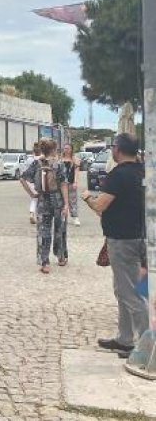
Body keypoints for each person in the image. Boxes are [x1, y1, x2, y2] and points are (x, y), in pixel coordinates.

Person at [82, 133, 147, 358]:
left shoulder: (118, 175)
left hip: (122, 240)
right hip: (139, 237)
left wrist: (86, 197)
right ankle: (125, 339)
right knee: (124, 290)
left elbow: (101, 206)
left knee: (131, 295)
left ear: (117, 149)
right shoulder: (142, 171)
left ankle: (148, 349)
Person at [21, 138, 69, 274]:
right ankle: (60, 257)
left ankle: (44, 262)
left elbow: (22, 178)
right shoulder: (58, 164)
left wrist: (32, 194)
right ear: (54, 149)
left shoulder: (37, 163)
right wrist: (66, 204)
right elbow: (64, 184)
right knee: (60, 229)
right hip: (57, 199)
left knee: (43, 231)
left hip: (42, 200)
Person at [62, 143, 82, 227]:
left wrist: (75, 182)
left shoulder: (75, 159)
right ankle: (63, 216)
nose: (66, 150)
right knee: (62, 200)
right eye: (65, 148)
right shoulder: (60, 159)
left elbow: (76, 172)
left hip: (70, 181)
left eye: (68, 148)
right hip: (62, 183)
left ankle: (75, 217)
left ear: (71, 150)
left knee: (73, 200)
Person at [27, 142, 43, 225]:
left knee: (34, 198)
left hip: (29, 181)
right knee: (38, 199)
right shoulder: (41, 158)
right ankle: (35, 215)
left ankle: (32, 214)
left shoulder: (29, 159)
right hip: (38, 181)